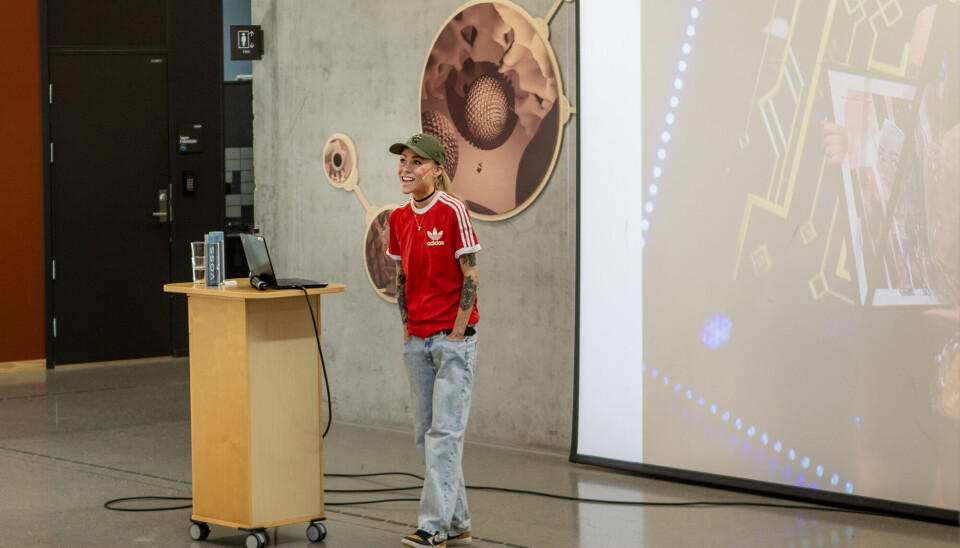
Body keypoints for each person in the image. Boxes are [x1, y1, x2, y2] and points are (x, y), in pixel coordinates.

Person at [386, 133, 480, 547]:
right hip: (417, 340)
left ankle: (433, 527)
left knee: (445, 435)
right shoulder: (398, 218)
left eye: (416, 162)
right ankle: (457, 520)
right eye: (403, 161)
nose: (406, 169)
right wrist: (408, 329)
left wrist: (458, 331)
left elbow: (471, 274)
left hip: (452, 341)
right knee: (429, 436)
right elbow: (401, 276)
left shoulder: (454, 210)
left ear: (437, 169)